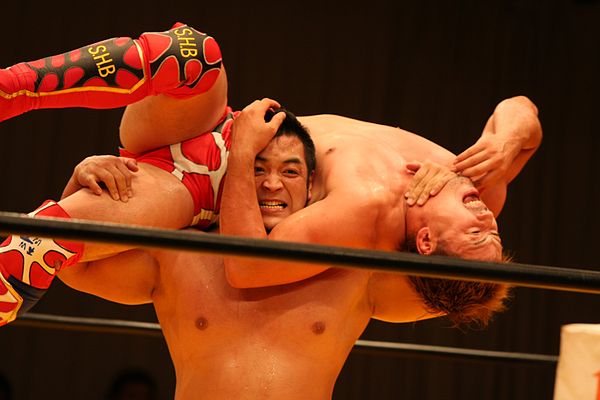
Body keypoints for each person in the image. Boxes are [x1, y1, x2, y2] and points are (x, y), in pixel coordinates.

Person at [0, 23, 542, 326]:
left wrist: (239, 158)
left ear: (424, 240)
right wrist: (507, 138)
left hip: (201, 186)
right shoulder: (478, 182)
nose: (487, 219)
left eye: (476, 233)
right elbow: (522, 110)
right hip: (219, 126)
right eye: (492, 230)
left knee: (39, 242)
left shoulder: (364, 213)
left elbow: (248, 269)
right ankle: (11, 87)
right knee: (192, 53)